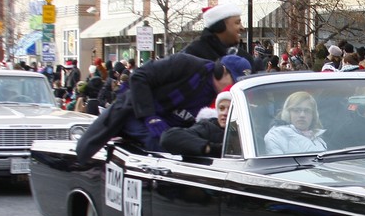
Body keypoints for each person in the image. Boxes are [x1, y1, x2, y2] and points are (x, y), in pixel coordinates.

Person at [75, 53, 251, 160]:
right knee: (161, 148)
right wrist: (150, 116)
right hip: (134, 113)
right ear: (223, 71)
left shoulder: (216, 98)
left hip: (168, 128)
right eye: (234, 81)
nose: (234, 87)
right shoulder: (185, 64)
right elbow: (139, 77)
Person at [160, 88, 232, 157]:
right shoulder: (207, 126)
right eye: (221, 108)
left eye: (231, 109)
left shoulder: (242, 131)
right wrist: (212, 148)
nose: (225, 113)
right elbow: (169, 137)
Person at [182, 3, 251, 62]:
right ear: (220, 26)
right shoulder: (192, 56)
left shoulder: (244, 57)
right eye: (237, 22)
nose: (242, 28)